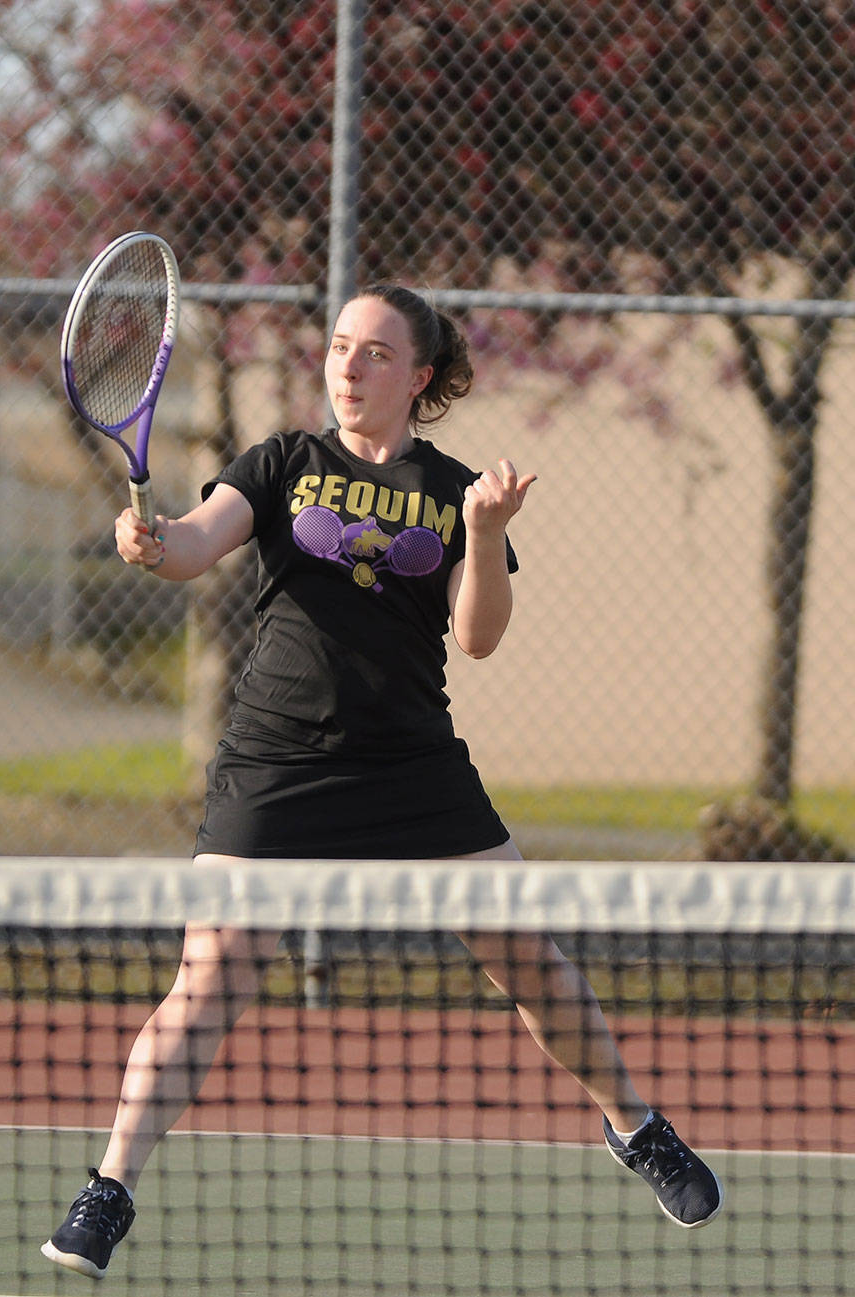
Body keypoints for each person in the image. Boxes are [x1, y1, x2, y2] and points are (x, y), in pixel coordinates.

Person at [42, 284, 723, 1280]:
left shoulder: (453, 490)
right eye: (340, 348)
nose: (349, 367)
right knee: (208, 984)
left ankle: (635, 1125)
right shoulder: (280, 462)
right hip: (273, 761)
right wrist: (147, 542)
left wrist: (484, 534)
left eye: (373, 353)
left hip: (411, 762)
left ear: (418, 376)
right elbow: (189, 544)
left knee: (525, 955)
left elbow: (478, 638)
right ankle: (108, 1189)